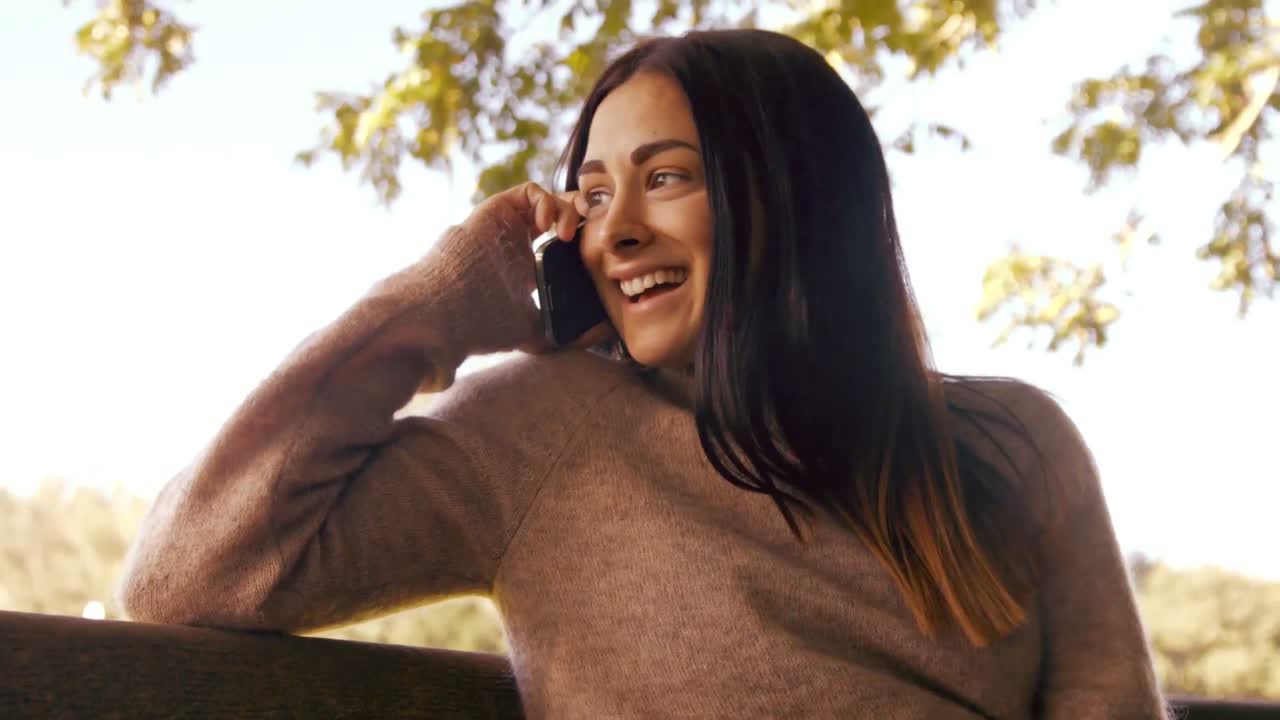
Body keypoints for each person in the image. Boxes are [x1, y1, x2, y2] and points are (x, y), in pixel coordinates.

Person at [116, 29, 1170, 719]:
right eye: (590, 193)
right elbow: (184, 575)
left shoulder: (1014, 443)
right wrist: (442, 302)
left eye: (665, 178)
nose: (612, 229)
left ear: (797, 198)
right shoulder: (542, 430)